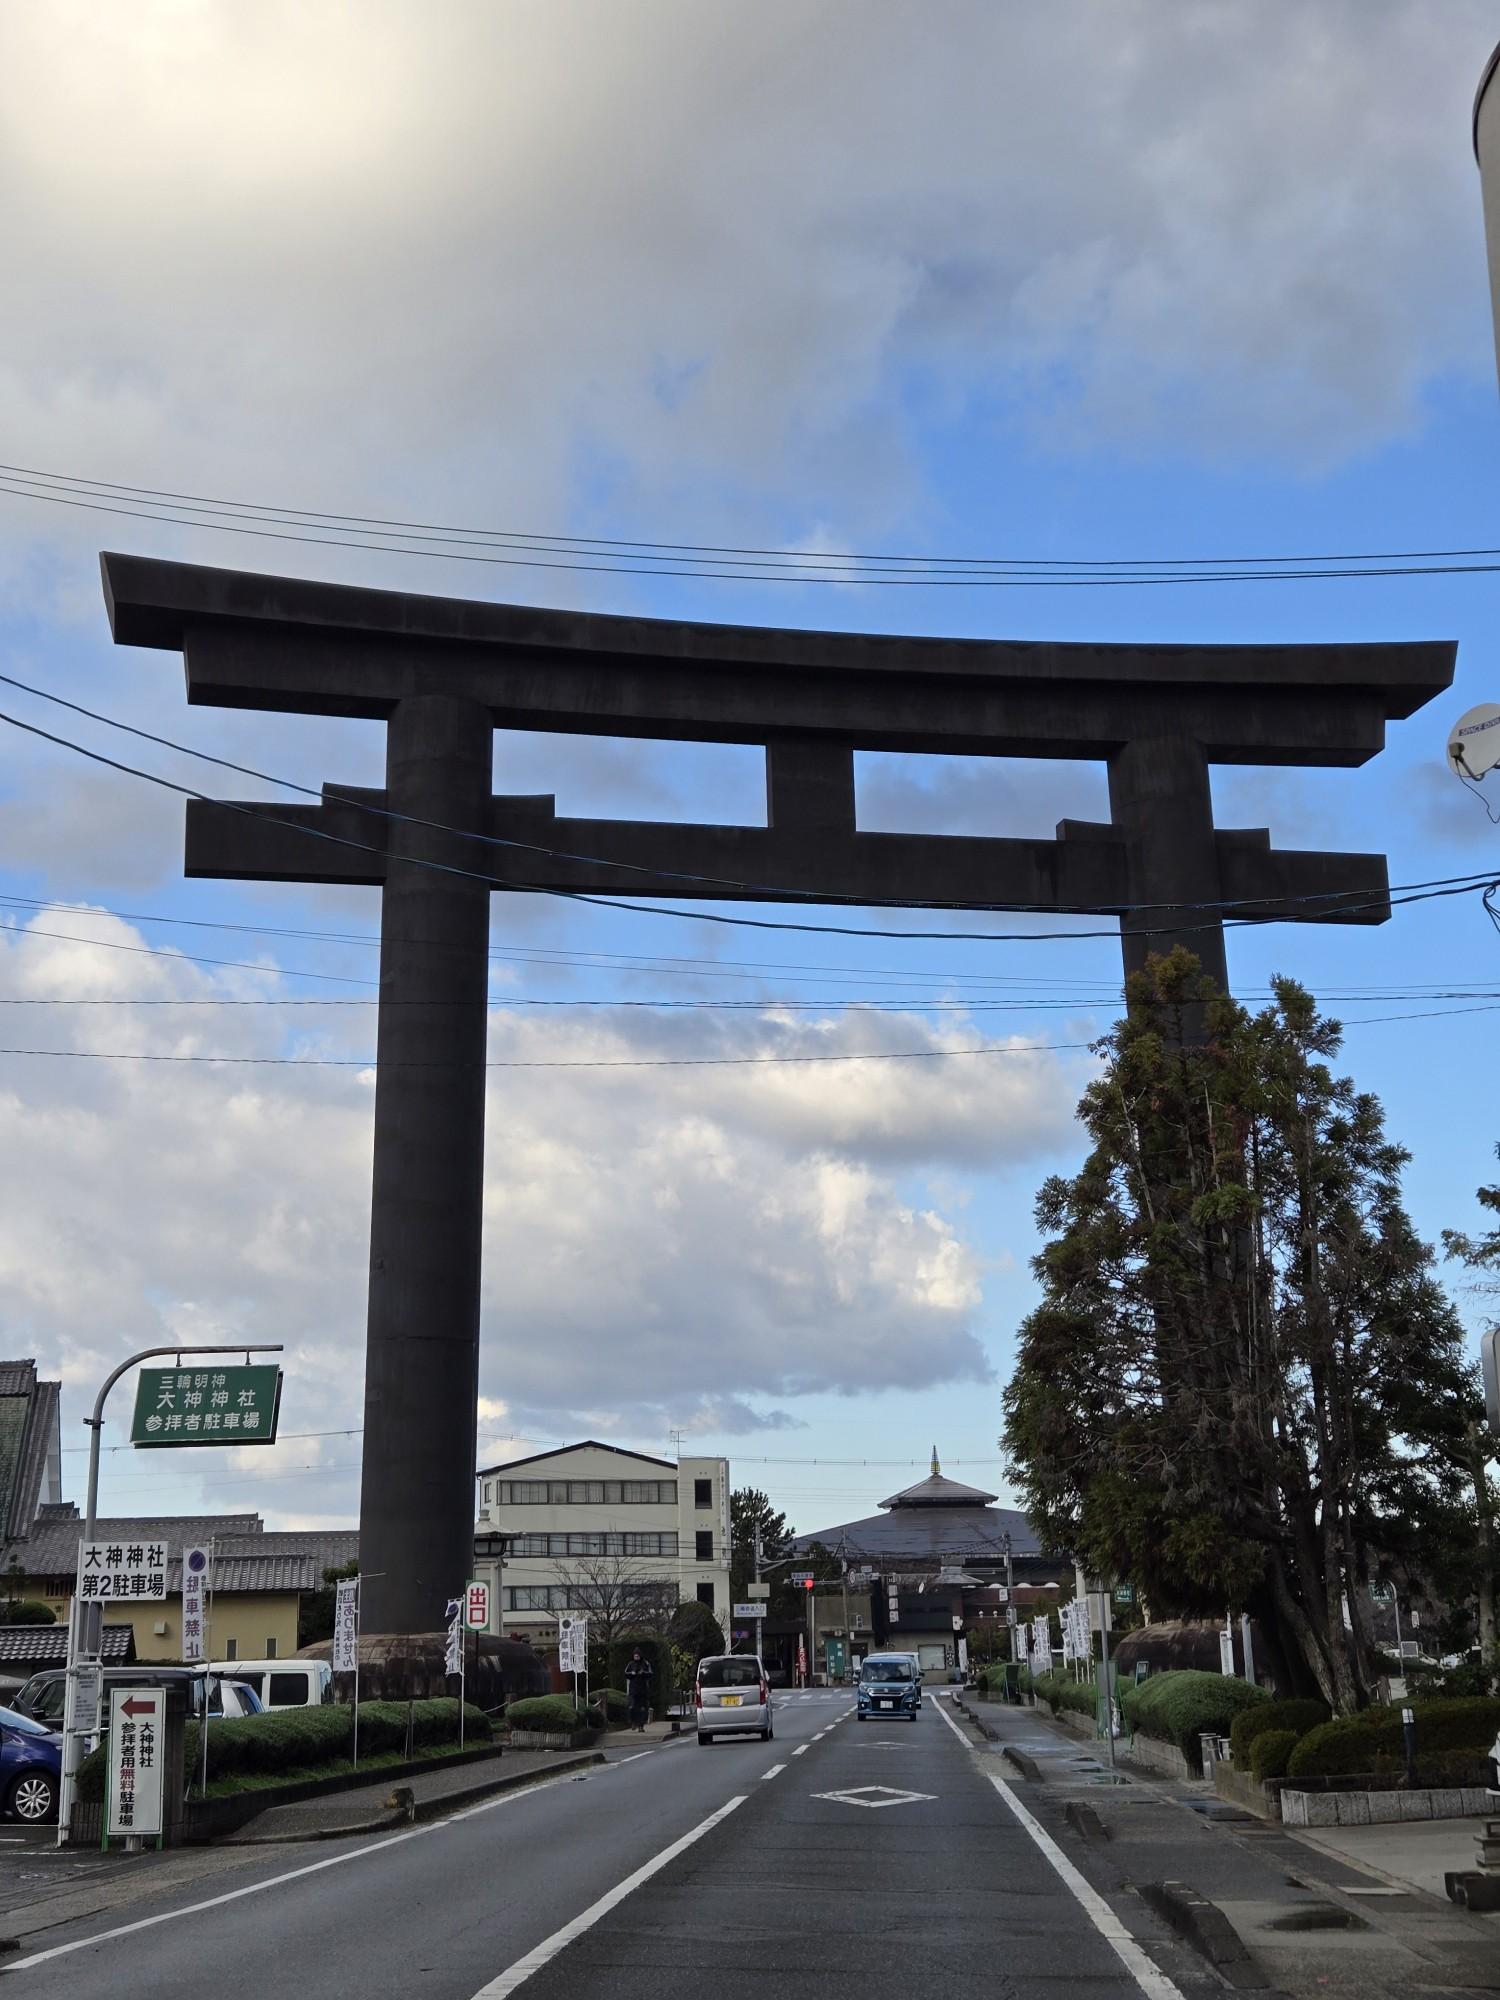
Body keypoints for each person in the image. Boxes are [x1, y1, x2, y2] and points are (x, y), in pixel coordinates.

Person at [624, 1647, 654, 1731]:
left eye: (637, 1656)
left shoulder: (645, 1663)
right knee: (632, 1707)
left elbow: (651, 1673)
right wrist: (631, 1674)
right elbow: (625, 1673)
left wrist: (643, 1673)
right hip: (633, 1690)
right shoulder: (631, 1664)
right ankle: (633, 1722)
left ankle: (641, 1725)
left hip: (643, 1690)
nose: (636, 1658)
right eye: (635, 1656)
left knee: (643, 1709)